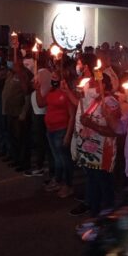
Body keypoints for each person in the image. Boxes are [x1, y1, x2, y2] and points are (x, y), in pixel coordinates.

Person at [76, 74, 121, 216]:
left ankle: (106, 215)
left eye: (96, 84)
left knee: (104, 184)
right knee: (93, 181)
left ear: (104, 85)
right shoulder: (96, 101)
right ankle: (94, 210)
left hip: (103, 154)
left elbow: (114, 131)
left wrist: (91, 124)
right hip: (92, 153)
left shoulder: (110, 103)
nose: (92, 87)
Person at [40, 70, 76, 198]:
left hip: (61, 130)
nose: (53, 80)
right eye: (52, 77)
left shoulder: (66, 94)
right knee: (57, 159)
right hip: (51, 130)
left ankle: (68, 185)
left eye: (56, 77)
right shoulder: (51, 92)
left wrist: (67, 134)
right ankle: (59, 180)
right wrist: (38, 87)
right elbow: (41, 103)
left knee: (65, 160)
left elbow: (72, 116)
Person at [2, 56, 33, 172]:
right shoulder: (11, 74)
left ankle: (24, 162)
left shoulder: (25, 74)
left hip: (19, 112)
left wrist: (24, 112)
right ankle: (16, 159)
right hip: (10, 111)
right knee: (13, 137)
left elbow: (27, 94)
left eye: (15, 63)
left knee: (22, 139)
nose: (13, 64)